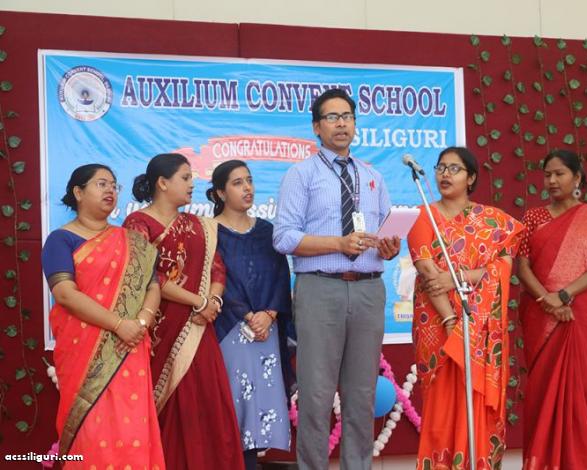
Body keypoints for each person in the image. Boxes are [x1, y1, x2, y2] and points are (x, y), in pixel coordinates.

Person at [273, 88, 400, 469]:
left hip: (368, 289)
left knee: (361, 394)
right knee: (316, 393)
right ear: (317, 127)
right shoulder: (302, 174)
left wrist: (389, 247)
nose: (341, 124)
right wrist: (337, 243)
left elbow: (383, 234)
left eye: (347, 116)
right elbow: (283, 238)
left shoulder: (372, 176)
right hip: (320, 288)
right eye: (332, 117)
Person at [123, 153, 245, 470]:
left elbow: (218, 269)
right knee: (168, 410)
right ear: (163, 183)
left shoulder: (198, 226)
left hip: (199, 329)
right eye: (186, 177)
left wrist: (213, 302)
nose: (193, 184)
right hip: (160, 330)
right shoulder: (138, 224)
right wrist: (198, 302)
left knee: (207, 406)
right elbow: (147, 276)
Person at [41, 164, 165, 469]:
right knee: (92, 433)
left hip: (129, 348)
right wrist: (119, 325)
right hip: (85, 356)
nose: (110, 190)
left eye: (113, 185)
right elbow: (65, 294)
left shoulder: (133, 243)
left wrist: (140, 323)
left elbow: (152, 286)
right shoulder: (61, 240)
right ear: (78, 192)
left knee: (132, 429)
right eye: (101, 184)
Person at [407, 146, 524, 470]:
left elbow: (501, 268)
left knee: (476, 404)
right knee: (442, 407)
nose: (445, 174)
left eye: (454, 169)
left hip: (480, 326)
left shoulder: (493, 221)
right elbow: (428, 272)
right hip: (437, 324)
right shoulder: (422, 216)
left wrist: (455, 277)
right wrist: (449, 320)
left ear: (471, 178)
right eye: (441, 167)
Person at [517, 149, 587, 470]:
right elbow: (522, 267)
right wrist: (548, 300)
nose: (552, 180)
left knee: (585, 391)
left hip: (583, 314)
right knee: (543, 392)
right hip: (541, 313)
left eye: (559, 174)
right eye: (547, 174)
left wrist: (564, 295)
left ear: (577, 178)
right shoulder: (533, 217)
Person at [206, 160, 292, 470]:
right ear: (220, 192)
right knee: (234, 408)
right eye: (237, 183)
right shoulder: (210, 232)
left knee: (260, 413)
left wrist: (269, 314)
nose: (247, 188)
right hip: (230, 329)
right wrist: (247, 316)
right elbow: (216, 280)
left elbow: (280, 276)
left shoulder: (267, 231)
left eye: (250, 180)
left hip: (266, 331)